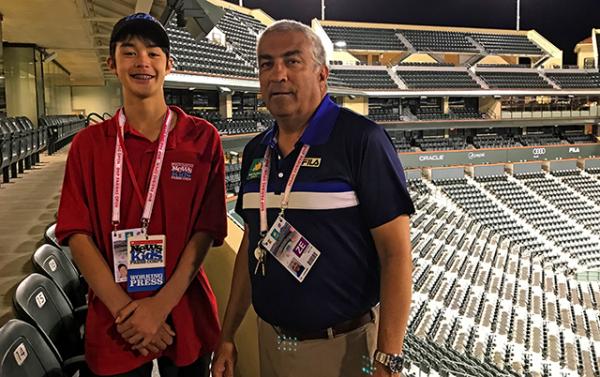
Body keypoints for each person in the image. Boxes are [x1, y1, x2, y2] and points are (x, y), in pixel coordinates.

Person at [212, 20, 414, 377]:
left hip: (344, 349)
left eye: (292, 61)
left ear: (322, 74)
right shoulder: (256, 150)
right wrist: (227, 335)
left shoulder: (362, 140)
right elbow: (251, 246)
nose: (277, 74)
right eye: (266, 63)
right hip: (270, 340)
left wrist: (388, 357)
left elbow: (396, 254)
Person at [55, 12, 227, 377]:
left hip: (183, 308)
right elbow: (76, 233)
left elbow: (206, 231)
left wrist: (158, 307)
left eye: (153, 52)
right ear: (112, 64)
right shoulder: (88, 145)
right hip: (116, 317)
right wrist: (129, 313)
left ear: (169, 64)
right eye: (129, 52)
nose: (142, 62)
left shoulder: (202, 139)